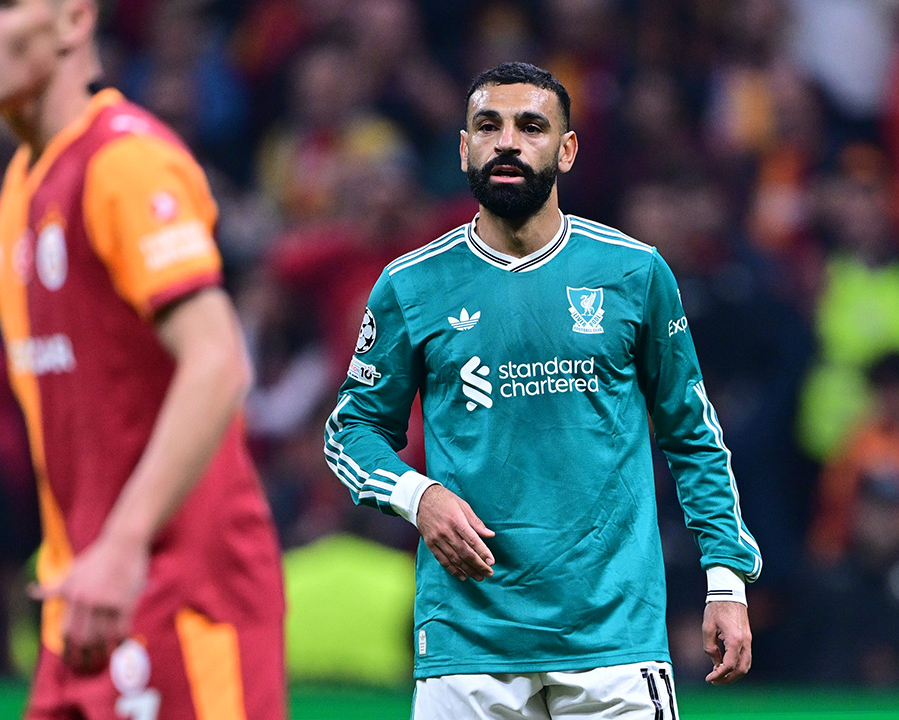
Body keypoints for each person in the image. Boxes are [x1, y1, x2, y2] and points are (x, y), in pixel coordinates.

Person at [324, 61, 761, 719]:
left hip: (613, 641)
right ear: (464, 148)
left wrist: (725, 580)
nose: (507, 142)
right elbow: (349, 430)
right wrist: (419, 497)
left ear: (567, 149)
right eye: (488, 126)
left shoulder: (634, 272)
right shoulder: (410, 285)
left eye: (531, 126)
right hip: (467, 644)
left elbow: (693, 437)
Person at [0, 1, 286, 718]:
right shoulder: (15, 197)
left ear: (74, 21)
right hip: (82, 606)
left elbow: (218, 361)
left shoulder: (124, 162)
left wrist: (121, 546)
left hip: (182, 600)